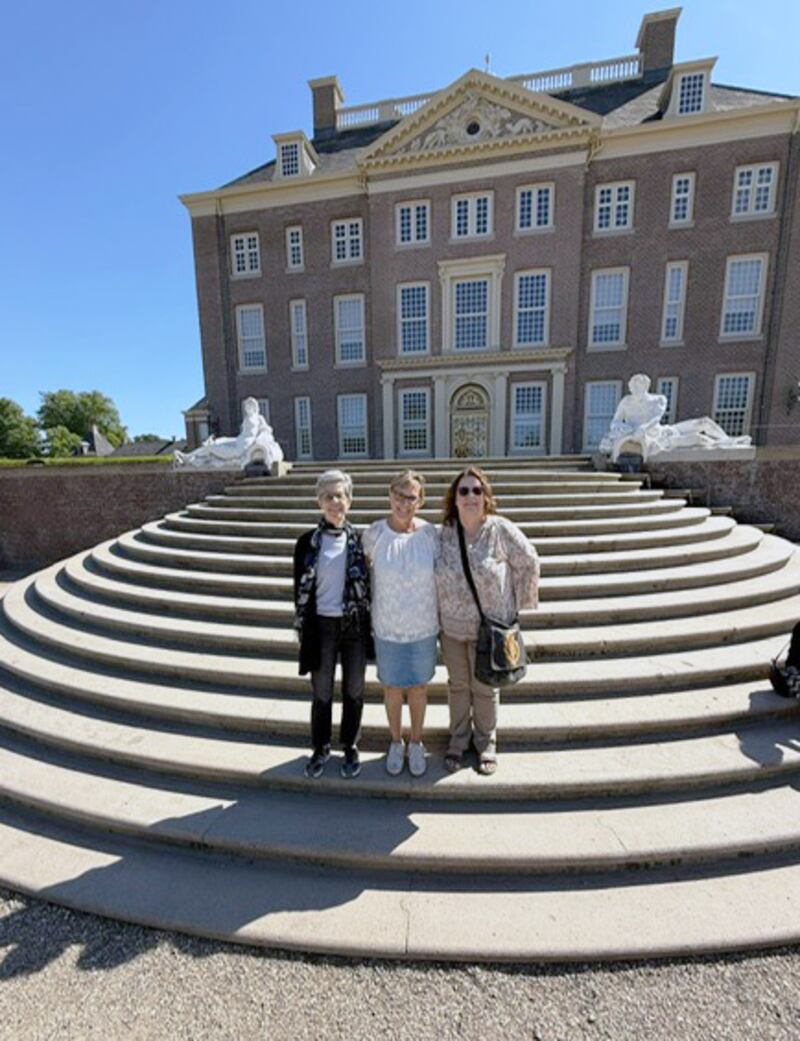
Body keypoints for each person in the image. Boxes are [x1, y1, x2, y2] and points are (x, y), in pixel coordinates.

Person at [435, 466, 539, 775]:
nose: (470, 496)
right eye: (464, 491)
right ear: (454, 498)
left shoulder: (499, 530)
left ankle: (486, 742)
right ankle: (458, 739)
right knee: (457, 686)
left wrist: (513, 608)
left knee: (485, 688)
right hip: (452, 628)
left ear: (486, 497)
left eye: (477, 491)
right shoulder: (444, 533)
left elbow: (530, 561)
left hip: (490, 628)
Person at [293, 469, 372, 780]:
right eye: (328, 496)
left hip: (353, 626)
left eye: (340, 495)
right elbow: (297, 590)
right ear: (319, 502)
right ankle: (320, 746)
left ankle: (350, 745)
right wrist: (301, 628)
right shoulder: (306, 543)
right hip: (320, 626)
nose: (334, 502)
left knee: (354, 690)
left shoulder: (362, 541)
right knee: (322, 691)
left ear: (349, 501)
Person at [362, 470, 439, 777]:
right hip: (388, 625)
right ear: (389, 495)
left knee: (419, 687)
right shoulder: (375, 534)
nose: (404, 503)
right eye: (399, 494)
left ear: (420, 500)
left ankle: (416, 742)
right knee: (392, 687)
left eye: (411, 497)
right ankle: (396, 741)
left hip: (422, 626)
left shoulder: (431, 535)